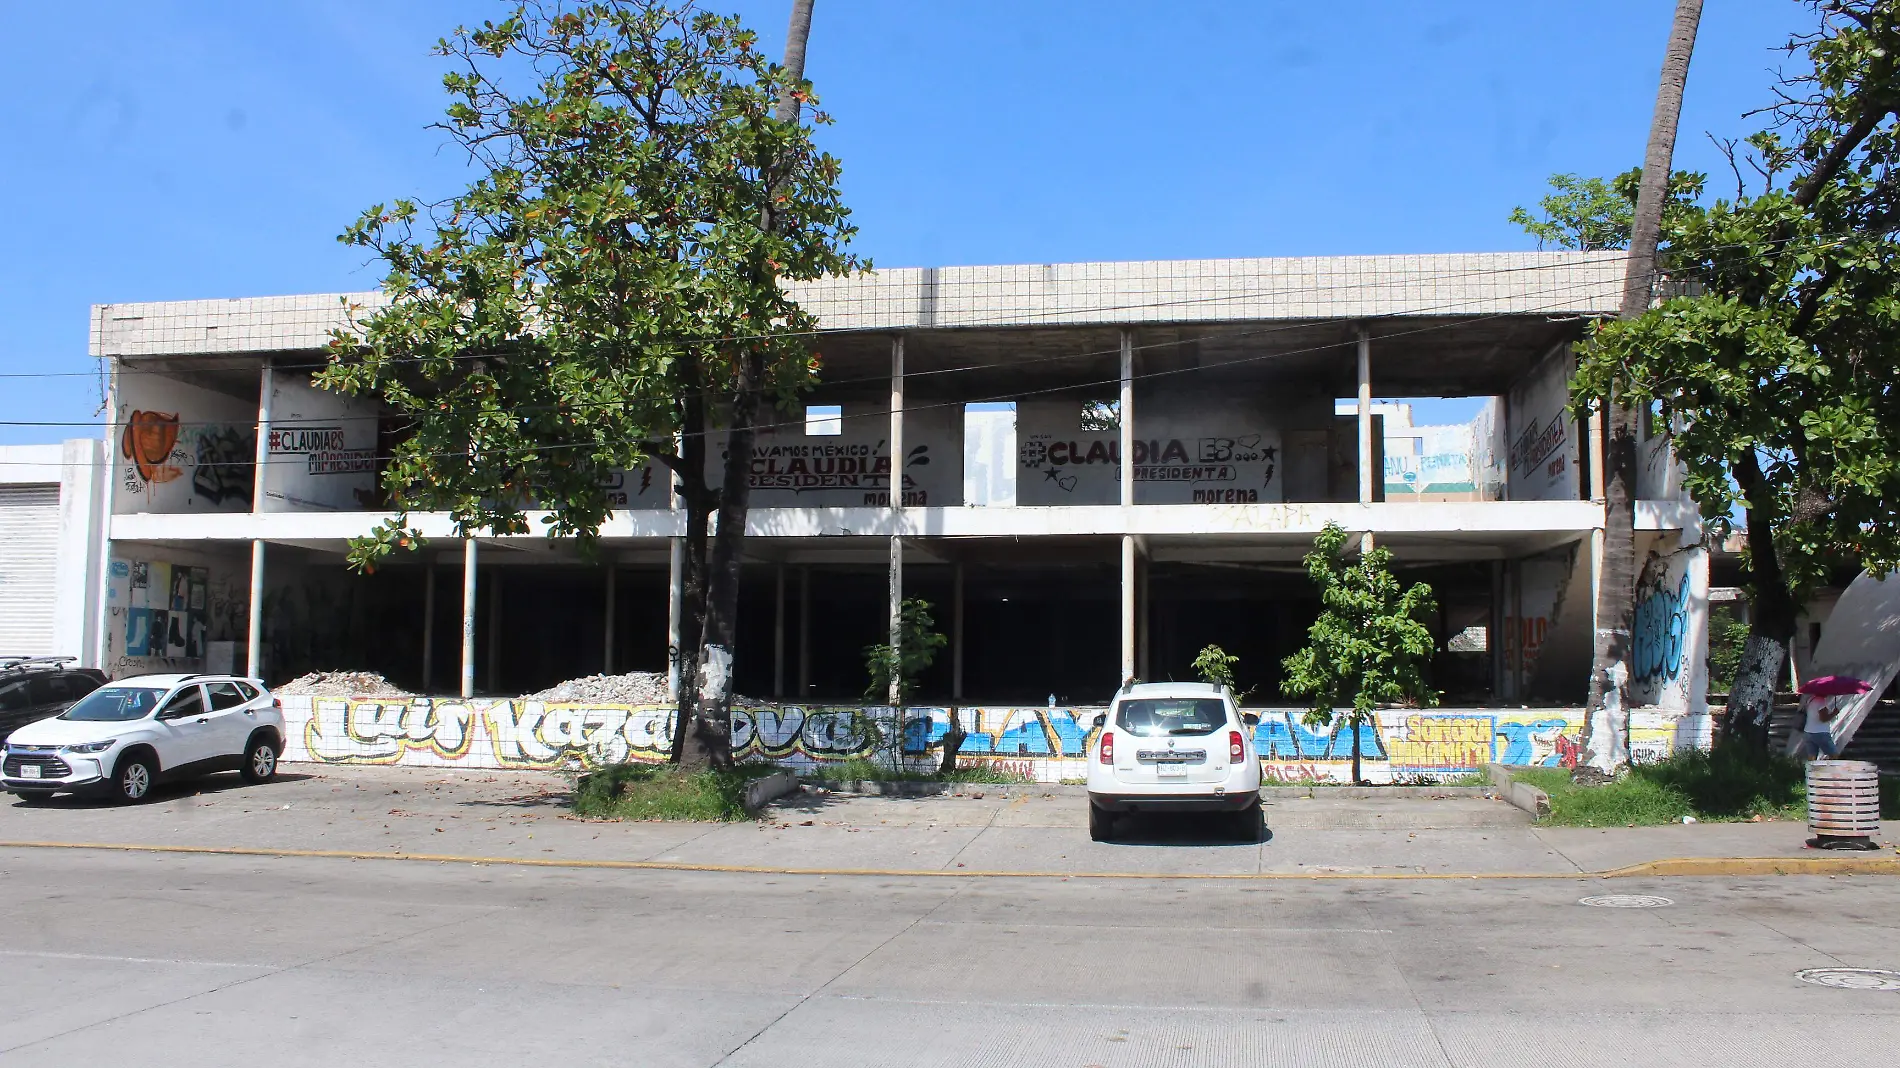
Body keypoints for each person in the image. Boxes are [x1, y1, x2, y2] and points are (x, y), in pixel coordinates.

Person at [1802, 694, 1840, 760]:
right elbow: (1823, 719)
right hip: (1820, 732)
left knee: (1812, 757)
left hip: (1808, 731)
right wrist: (1834, 713)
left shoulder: (1810, 700)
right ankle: (1830, 770)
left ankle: (1810, 770)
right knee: (1834, 755)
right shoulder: (1821, 701)